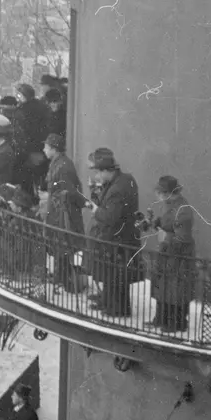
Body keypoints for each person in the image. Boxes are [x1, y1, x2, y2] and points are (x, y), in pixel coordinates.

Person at [87, 147, 139, 317]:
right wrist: (97, 192)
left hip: (117, 239)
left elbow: (110, 216)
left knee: (114, 276)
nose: (98, 177)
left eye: (99, 173)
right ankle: (110, 304)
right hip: (123, 237)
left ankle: (115, 310)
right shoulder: (124, 180)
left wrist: (95, 209)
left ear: (106, 171)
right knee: (114, 276)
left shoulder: (117, 189)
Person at [141, 175, 195, 333]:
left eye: (160, 193)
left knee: (175, 290)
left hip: (179, 256)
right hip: (168, 253)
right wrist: (155, 223)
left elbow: (183, 237)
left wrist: (167, 237)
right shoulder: (170, 204)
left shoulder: (183, 210)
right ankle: (161, 319)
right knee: (163, 286)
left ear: (168, 193)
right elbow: (167, 222)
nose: (159, 196)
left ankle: (176, 324)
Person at [41, 133, 87, 292]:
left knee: (63, 243)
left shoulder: (63, 166)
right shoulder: (57, 163)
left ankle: (65, 278)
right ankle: (61, 275)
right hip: (57, 210)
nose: (44, 150)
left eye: (46, 147)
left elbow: (71, 191)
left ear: (54, 149)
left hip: (63, 212)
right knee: (59, 244)